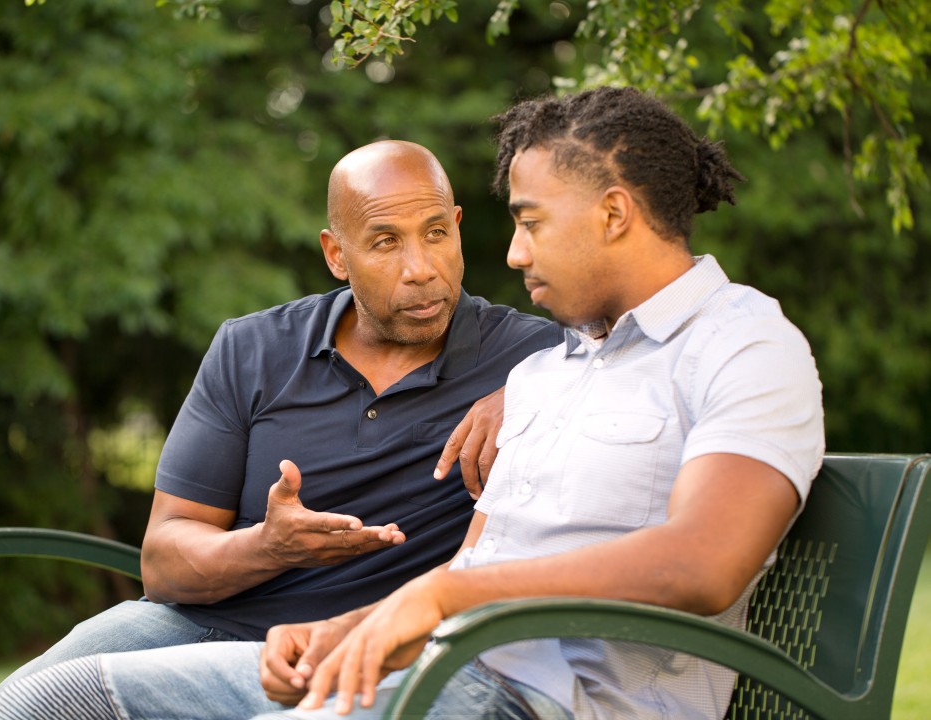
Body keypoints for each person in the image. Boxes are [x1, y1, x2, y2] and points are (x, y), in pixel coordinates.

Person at [249, 86, 826, 719]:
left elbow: (704, 562)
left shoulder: (743, 345)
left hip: (554, 702)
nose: (514, 252)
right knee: (119, 690)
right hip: (445, 673)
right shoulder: (544, 374)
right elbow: (479, 562)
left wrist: (444, 597)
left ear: (613, 214)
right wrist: (352, 627)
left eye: (531, 222)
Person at [0, 140, 562, 720]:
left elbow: (629, 359)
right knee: (2, 710)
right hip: (197, 625)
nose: (421, 269)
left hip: (369, 651)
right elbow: (164, 562)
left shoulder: (538, 357)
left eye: (436, 233)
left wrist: (531, 387)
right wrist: (267, 546)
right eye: (385, 242)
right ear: (336, 254)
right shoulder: (251, 348)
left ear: (457, 225)